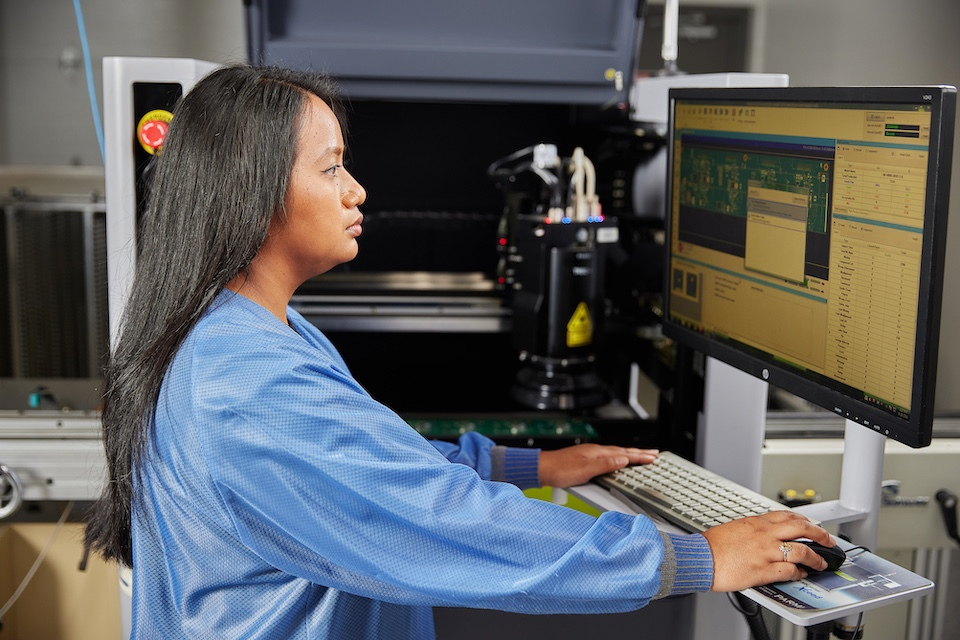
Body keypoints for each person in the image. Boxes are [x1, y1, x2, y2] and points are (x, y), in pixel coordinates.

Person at [85, 64, 835, 639]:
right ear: (252, 193)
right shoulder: (245, 385)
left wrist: (526, 465)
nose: (357, 190)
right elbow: (439, 521)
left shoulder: (243, 329)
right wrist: (694, 559)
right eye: (330, 167)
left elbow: (368, 466)